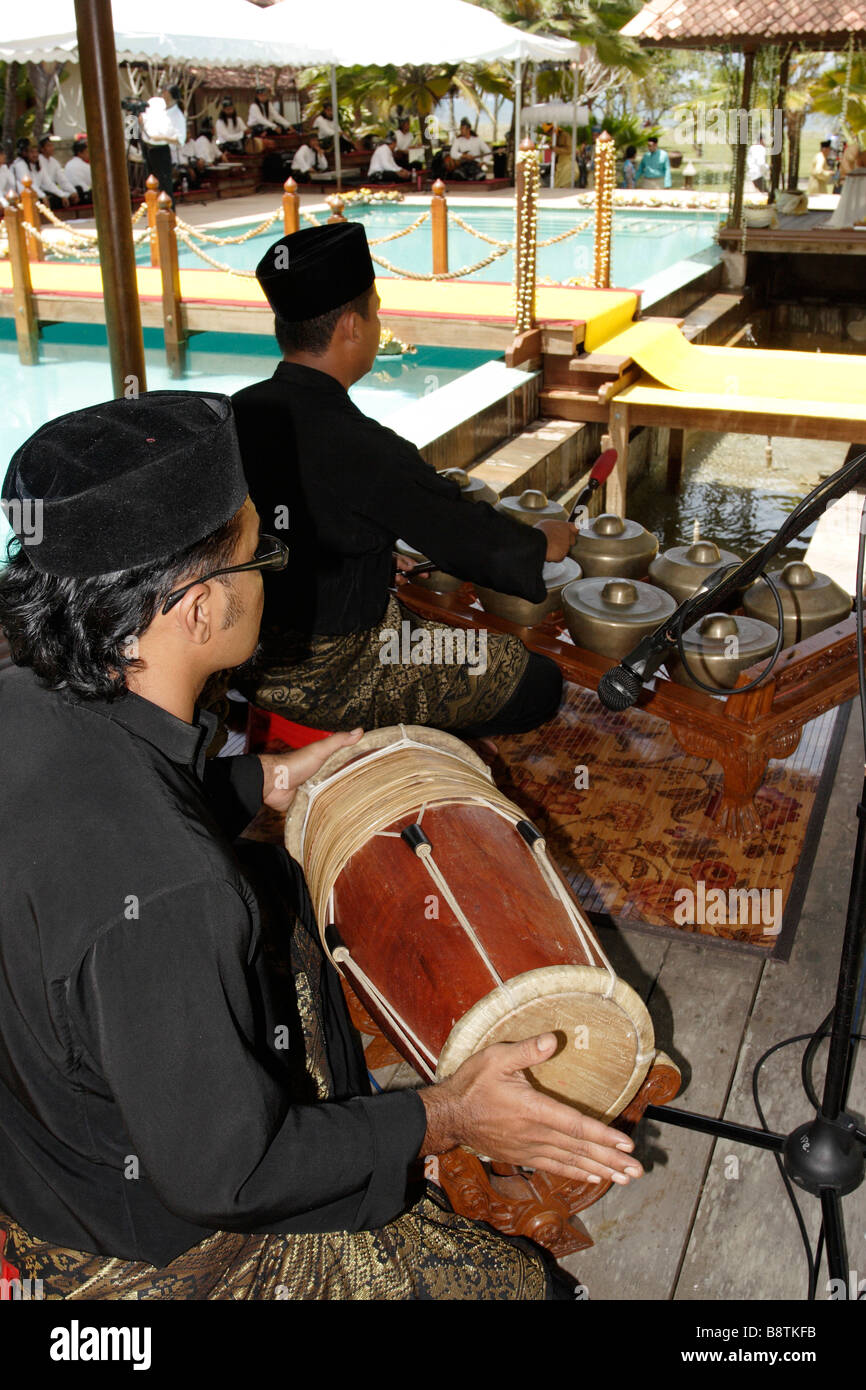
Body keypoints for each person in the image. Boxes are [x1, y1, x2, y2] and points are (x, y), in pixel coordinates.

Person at [0, 393, 642, 1300]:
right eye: (259, 551)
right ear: (198, 608)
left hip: (40, 1138)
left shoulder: (21, 698)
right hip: (147, 1251)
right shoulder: (173, 890)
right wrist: (449, 1113)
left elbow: (91, 823)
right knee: (533, 1291)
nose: (275, 570)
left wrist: (262, 780)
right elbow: (228, 1178)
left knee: (269, 884)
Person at [231, 223, 572, 738]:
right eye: (375, 311)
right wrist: (541, 543)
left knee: (434, 629)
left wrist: (368, 556)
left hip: (243, 652)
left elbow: (281, 527)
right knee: (535, 679)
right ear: (351, 326)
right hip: (333, 670)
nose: (377, 323)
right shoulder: (360, 442)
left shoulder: (236, 412)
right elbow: (466, 536)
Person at [139, 91, 182, 203]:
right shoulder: (150, 108)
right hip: (148, 145)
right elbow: (134, 130)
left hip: (160, 147)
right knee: (151, 181)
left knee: (164, 183)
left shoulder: (162, 110)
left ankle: (168, 211)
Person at [36, 135, 78, 207]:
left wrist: (73, 191)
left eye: (52, 145)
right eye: (48, 146)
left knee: (77, 191)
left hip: (53, 190)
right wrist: (61, 195)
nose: (52, 148)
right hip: (44, 191)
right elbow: (46, 183)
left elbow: (62, 180)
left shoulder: (54, 161)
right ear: (42, 149)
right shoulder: (38, 161)